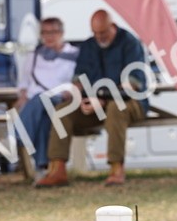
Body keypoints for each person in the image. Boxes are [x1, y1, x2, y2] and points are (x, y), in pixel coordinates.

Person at [36, 10, 148, 188]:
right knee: (62, 111)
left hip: (128, 102)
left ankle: (116, 167)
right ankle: (57, 169)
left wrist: (102, 98)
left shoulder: (130, 43)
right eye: (95, 33)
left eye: (103, 33)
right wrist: (79, 98)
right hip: (96, 103)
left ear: (112, 26)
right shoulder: (89, 46)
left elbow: (132, 84)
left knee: (115, 108)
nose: (99, 37)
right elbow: (79, 80)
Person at [14, 17, 78, 175]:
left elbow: (78, 81)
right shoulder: (34, 55)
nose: (48, 36)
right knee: (43, 118)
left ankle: (18, 134)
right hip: (36, 103)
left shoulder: (74, 54)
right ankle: (43, 167)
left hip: (61, 99)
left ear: (61, 33)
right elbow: (24, 83)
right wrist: (22, 98)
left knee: (41, 100)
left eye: (53, 32)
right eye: (44, 33)